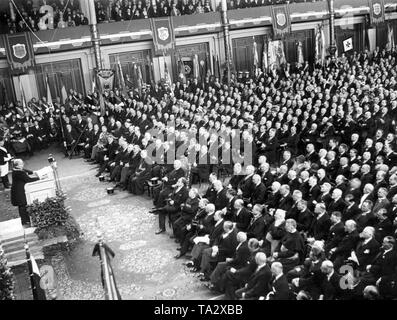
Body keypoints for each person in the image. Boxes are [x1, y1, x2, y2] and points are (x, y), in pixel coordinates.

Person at [10, 159, 40, 227]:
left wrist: (32, 172)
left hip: (17, 191)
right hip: (19, 192)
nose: (23, 164)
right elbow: (28, 180)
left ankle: (25, 220)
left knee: (22, 206)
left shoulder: (16, 170)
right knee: (22, 205)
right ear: (18, 165)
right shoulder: (19, 173)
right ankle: (25, 221)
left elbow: (24, 170)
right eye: (21, 164)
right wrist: (39, 178)